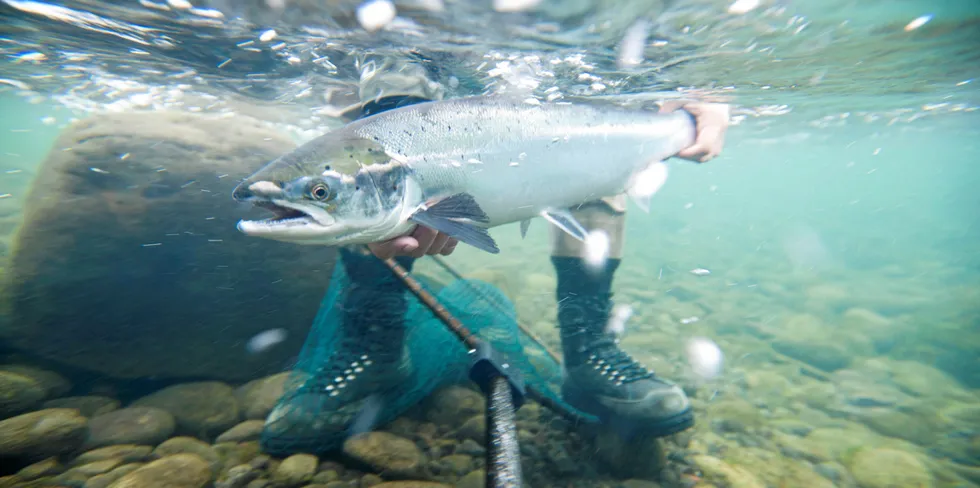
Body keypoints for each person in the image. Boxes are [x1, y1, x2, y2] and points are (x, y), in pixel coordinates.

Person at [261, 56, 730, 454]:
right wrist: (397, 112)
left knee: (586, 147)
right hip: (412, 49)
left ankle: (590, 352)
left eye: (318, 190)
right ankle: (373, 349)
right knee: (389, 105)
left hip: (566, 50)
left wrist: (699, 102)